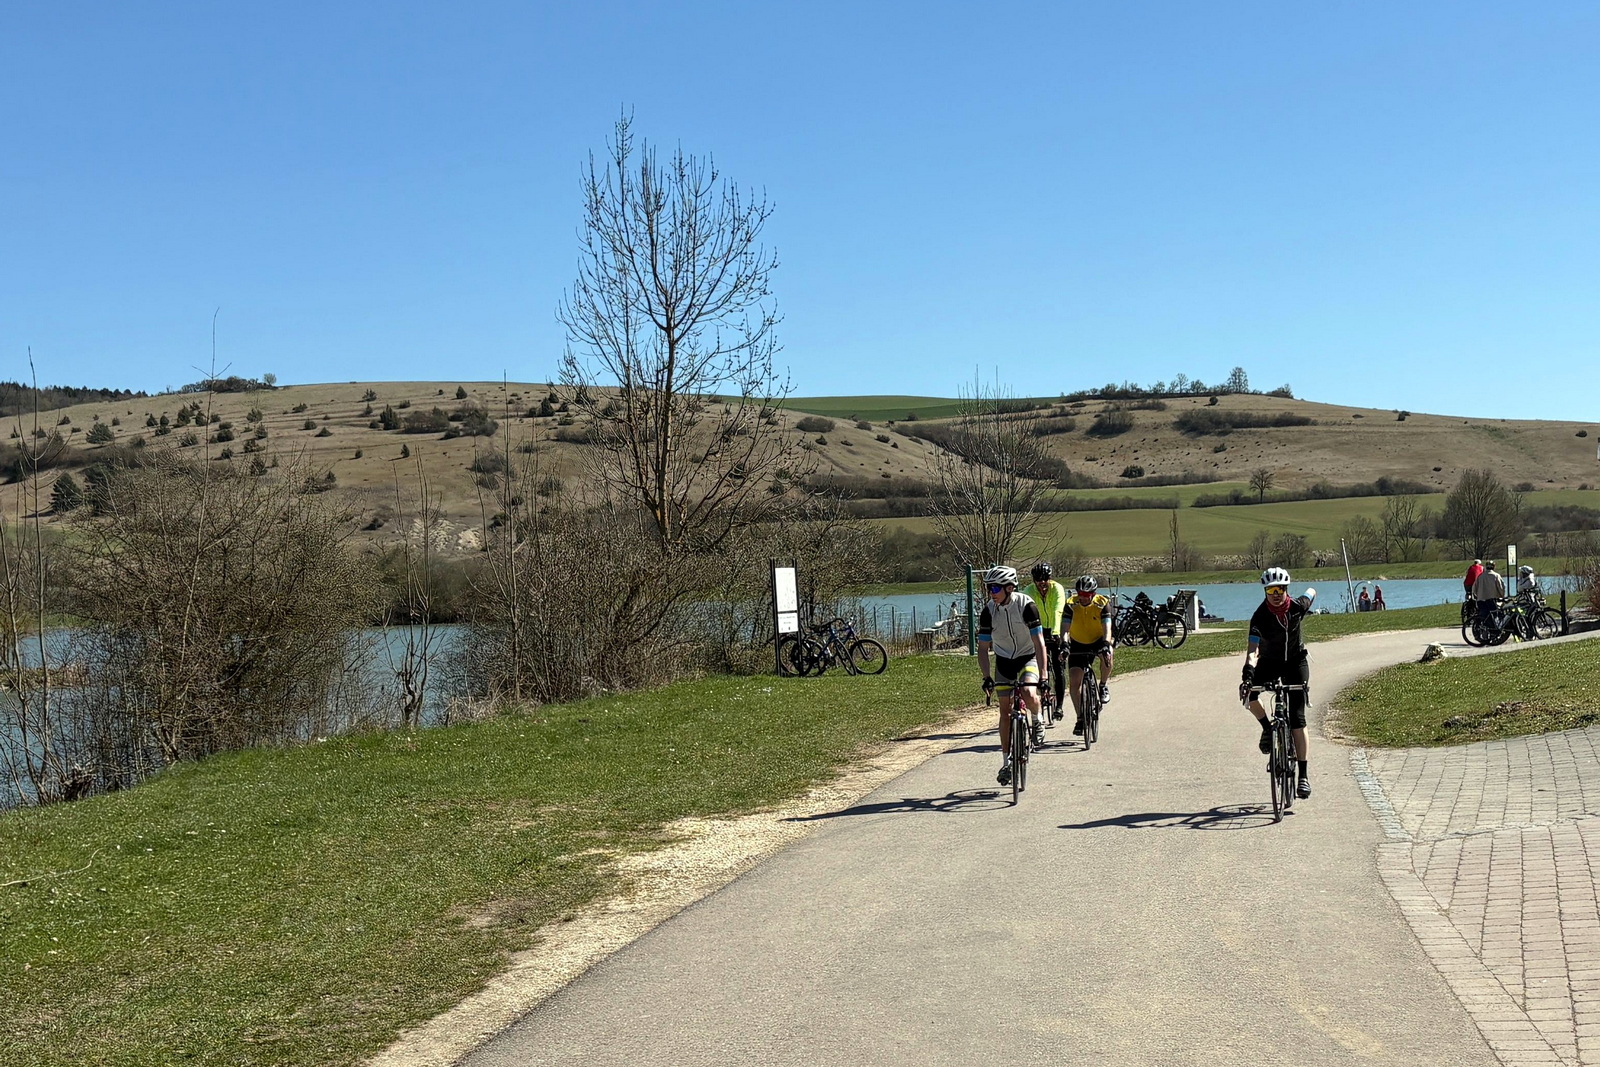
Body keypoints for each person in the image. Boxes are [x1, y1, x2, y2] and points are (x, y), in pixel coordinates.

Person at [1238, 568, 1316, 799]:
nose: (1275, 594)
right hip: (1269, 663)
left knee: (1297, 719)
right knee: (1249, 695)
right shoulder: (1259, 617)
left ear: (1286, 590)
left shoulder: (1297, 607)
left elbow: (1312, 592)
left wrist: (1310, 595)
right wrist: (1248, 675)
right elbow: (1253, 650)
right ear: (1265, 591)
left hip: (1295, 662)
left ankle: (1303, 776)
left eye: (1280, 589)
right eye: (1271, 590)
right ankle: (1267, 729)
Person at [977, 565, 1049, 786]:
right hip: (1004, 659)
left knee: (1028, 691)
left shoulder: (1027, 606)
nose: (992, 592)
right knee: (1005, 711)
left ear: (1009, 587)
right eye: (989, 588)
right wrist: (987, 676)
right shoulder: (989, 611)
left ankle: (1037, 720)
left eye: (996, 588)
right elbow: (982, 648)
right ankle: (1006, 763)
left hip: (1028, 656)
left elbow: (1039, 642)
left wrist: (1044, 675)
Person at [1063, 574, 1115, 734]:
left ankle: (1103, 685)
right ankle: (1080, 718)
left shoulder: (1102, 603)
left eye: (1087, 595)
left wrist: (1106, 644)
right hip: (1077, 642)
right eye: (1080, 594)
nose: (1083, 598)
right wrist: (1064, 644)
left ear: (1093, 593)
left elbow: (1107, 627)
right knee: (1074, 683)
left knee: (1108, 654)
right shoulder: (1071, 604)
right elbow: (1065, 629)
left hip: (1098, 640)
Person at [1025, 562, 1067, 721]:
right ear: (1034, 580)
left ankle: (1059, 706)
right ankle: (1041, 694)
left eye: (1045, 580)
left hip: (1056, 629)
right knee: (1039, 665)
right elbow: (1025, 611)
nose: (1042, 584)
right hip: (1038, 630)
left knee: (1059, 667)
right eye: (1038, 580)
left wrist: (1056, 633)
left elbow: (1058, 610)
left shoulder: (1057, 589)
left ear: (1050, 578)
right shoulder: (1028, 591)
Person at [1472, 560, 1505, 624]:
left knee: (1484, 616)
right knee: (1495, 616)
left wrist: (1477, 595)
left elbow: (1474, 588)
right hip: (1492, 600)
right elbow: (1501, 588)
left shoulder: (1480, 576)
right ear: (1494, 567)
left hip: (1481, 600)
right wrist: (1502, 596)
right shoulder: (1496, 576)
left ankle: (1484, 629)